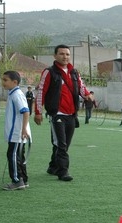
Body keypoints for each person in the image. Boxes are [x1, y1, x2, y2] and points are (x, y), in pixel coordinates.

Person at [34, 44, 94, 182]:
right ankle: (63, 171)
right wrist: (38, 112)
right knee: (61, 144)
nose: (65, 56)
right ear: (55, 56)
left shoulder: (74, 72)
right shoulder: (49, 72)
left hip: (71, 114)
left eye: (67, 54)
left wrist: (88, 95)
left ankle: (52, 166)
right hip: (57, 114)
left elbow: (81, 87)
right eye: (61, 54)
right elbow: (41, 92)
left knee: (64, 143)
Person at [1, 71, 31, 191]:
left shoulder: (17, 94)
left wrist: (23, 129)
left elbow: (26, 111)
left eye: (5, 80)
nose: (3, 82)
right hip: (16, 132)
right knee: (19, 155)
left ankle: (17, 180)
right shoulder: (12, 93)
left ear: (15, 82)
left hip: (17, 132)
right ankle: (23, 179)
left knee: (12, 155)